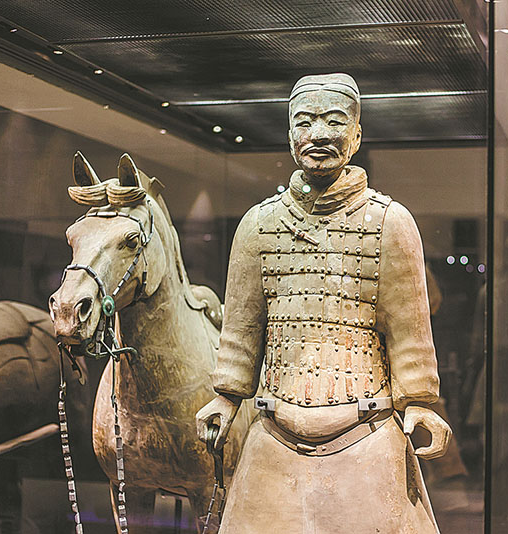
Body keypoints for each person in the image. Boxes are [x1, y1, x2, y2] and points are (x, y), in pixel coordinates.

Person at [195, 73, 451, 533]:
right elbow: (240, 331)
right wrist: (226, 396)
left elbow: (410, 333)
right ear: (289, 134)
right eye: (304, 122)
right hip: (273, 432)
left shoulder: (390, 222)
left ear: (356, 133)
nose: (317, 135)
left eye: (334, 122)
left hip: (365, 433)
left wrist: (419, 403)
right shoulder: (258, 225)